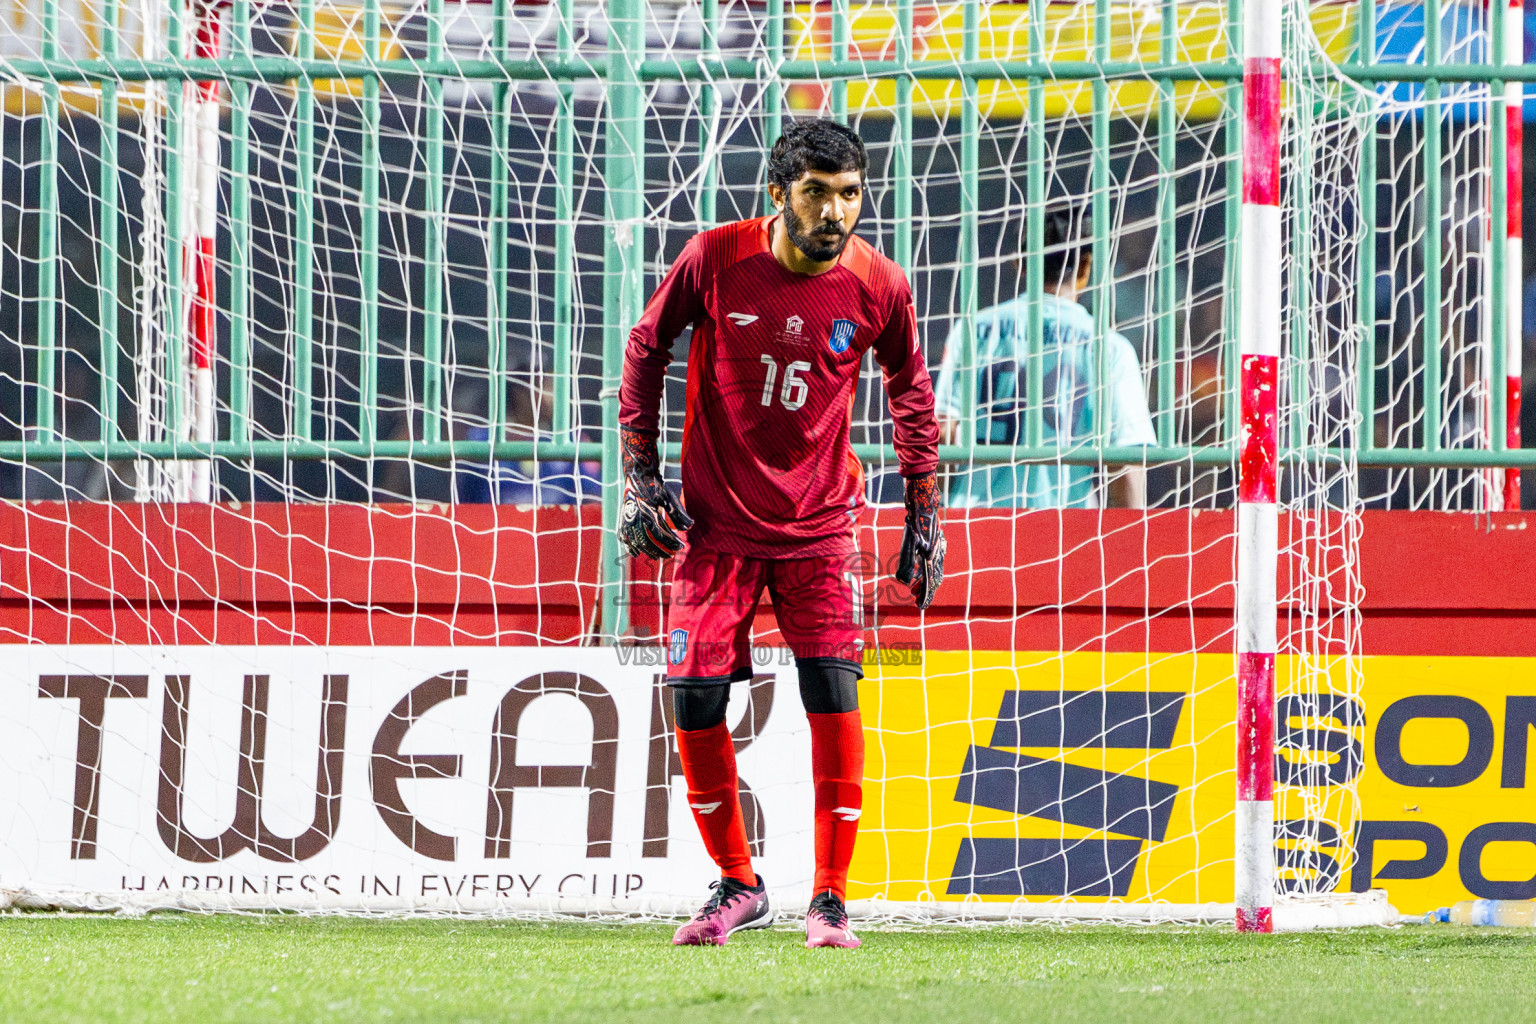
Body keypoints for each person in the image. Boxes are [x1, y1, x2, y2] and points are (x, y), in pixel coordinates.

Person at [618, 118, 945, 950]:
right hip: (713, 525)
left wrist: (925, 513)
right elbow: (646, 348)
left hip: (821, 527)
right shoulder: (716, 258)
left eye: (849, 195)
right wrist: (641, 478)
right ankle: (738, 883)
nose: (835, 213)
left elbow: (910, 393)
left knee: (832, 691)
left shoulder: (879, 285)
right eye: (815, 193)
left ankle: (830, 898)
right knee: (693, 697)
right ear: (777, 194)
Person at [933, 206, 1156, 508]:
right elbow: (1126, 465)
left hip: (976, 528)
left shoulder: (973, 331)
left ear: (1019, 263)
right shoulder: (1110, 348)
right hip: (1061, 533)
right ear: (1086, 267)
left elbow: (940, 439)